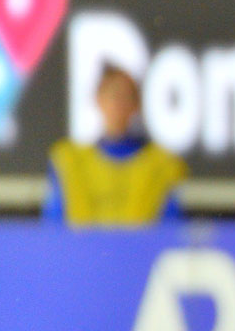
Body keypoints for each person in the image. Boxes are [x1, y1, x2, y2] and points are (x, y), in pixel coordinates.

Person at [44, 64, 186, 227]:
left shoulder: (161, 165)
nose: (118, 104)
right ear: (98, 99)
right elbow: (51, 230)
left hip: (139, 252)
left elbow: (170, 230)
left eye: (126, 96)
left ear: (136, 105)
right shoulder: (69, 162)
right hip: (80, 251)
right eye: (113, 95)